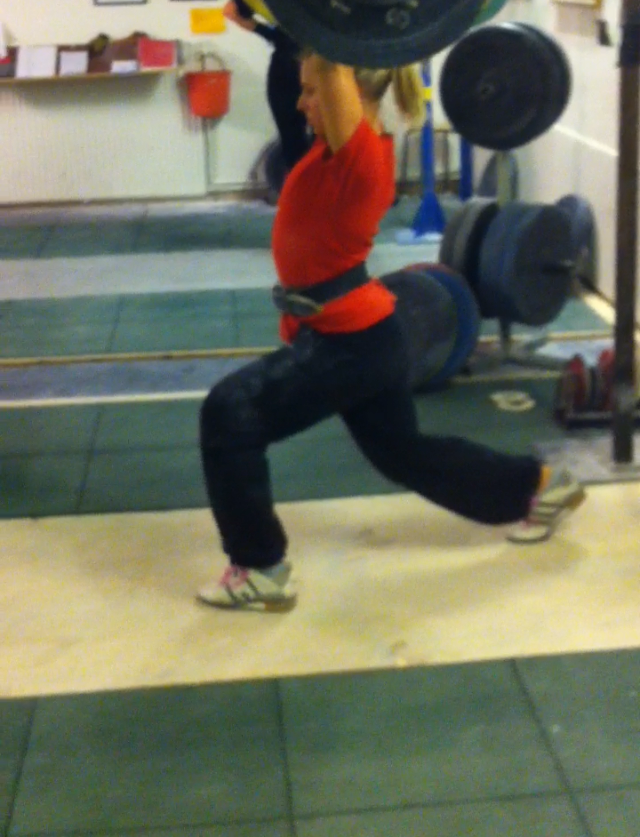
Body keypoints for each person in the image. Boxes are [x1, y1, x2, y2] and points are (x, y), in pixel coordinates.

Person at [197, 52, 586, 612]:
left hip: (347, 343)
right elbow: (311, 66)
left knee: (230, 412)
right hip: (363, 334)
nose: (303, 102)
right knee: (403, 454)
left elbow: (330, 60)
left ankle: (260, 568)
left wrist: (331, 39)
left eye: (313, 91)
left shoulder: (358, 151)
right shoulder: (330, 148)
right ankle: (540, 487)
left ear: (348, 94)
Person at [223, 0, 310, 171]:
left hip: (285, 65)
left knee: (292, 141)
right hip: (322, 66)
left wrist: (272, 34)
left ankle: (299, 184)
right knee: (328, 141)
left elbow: (230, 11)